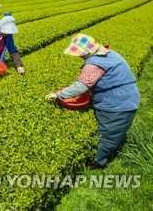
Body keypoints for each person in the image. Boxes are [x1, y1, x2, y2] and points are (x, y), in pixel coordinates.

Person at [45, 34, 140, 169]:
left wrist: (58, 94)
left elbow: (81, 86)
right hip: (123, 96)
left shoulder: (94, 64)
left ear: (88, 51)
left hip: (119, 104)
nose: (79, 56)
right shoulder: (109, 53)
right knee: (108, 128)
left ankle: (97, 162)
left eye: (80, 54)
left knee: (108, 135)